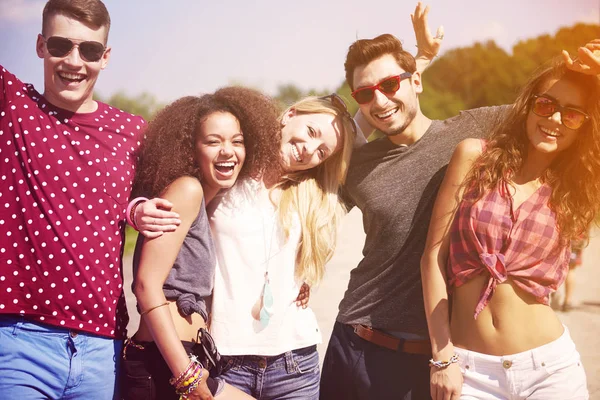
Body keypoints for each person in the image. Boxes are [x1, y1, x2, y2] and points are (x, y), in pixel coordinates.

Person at [0, 1, 176, 398]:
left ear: (106, 56)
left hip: (102, 345)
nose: (74, 61)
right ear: (40, 46)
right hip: (18, 339)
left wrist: (136, 209)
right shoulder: (12, 107)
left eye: (90, 50)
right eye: (61, 45)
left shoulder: (133, 131)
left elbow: (134, 197)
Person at [421, 56, 600, 399]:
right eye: (546, 105)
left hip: (550, 372)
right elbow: (432, 258)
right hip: (469, 373)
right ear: (529, 106)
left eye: (573, 113)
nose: (556, 119)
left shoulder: (573, 190)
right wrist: (442, 356)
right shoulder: (475, 158)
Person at [121, 88, 279, 400]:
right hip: (164, 364)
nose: (228, 151)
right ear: (191, 149)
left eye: (237, 141)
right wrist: (186, 376)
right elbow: (145, 285)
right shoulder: (187, 190)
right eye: (213, 141)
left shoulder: (204, 202)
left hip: (186, 358)